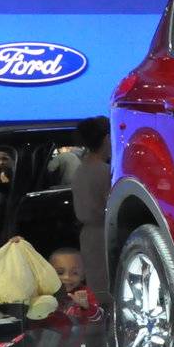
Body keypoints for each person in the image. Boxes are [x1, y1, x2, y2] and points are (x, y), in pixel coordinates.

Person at [71, 116, 112, 304]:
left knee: (96, 284)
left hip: (87, 234)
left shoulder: (80, 170)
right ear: (106, 139)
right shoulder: (104, 171)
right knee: (109, 282)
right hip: (105, 234)